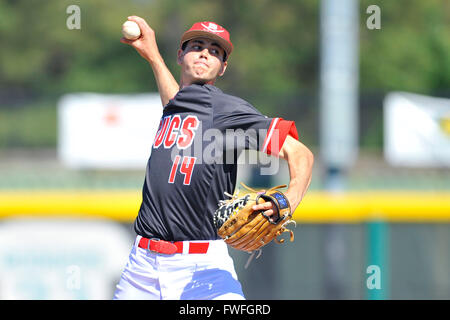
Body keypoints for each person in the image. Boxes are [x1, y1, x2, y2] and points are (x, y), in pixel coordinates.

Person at [113, 16, 314, 300]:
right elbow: (174, 103)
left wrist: (287, 202)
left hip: (202, 270)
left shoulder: (226, 109)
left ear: (222, 68)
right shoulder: (179, 104)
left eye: (215, 51)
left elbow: (300, 153)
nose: (206, 52)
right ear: (180, 55)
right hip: (141, 268)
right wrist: (153, 55)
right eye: (197, 45)